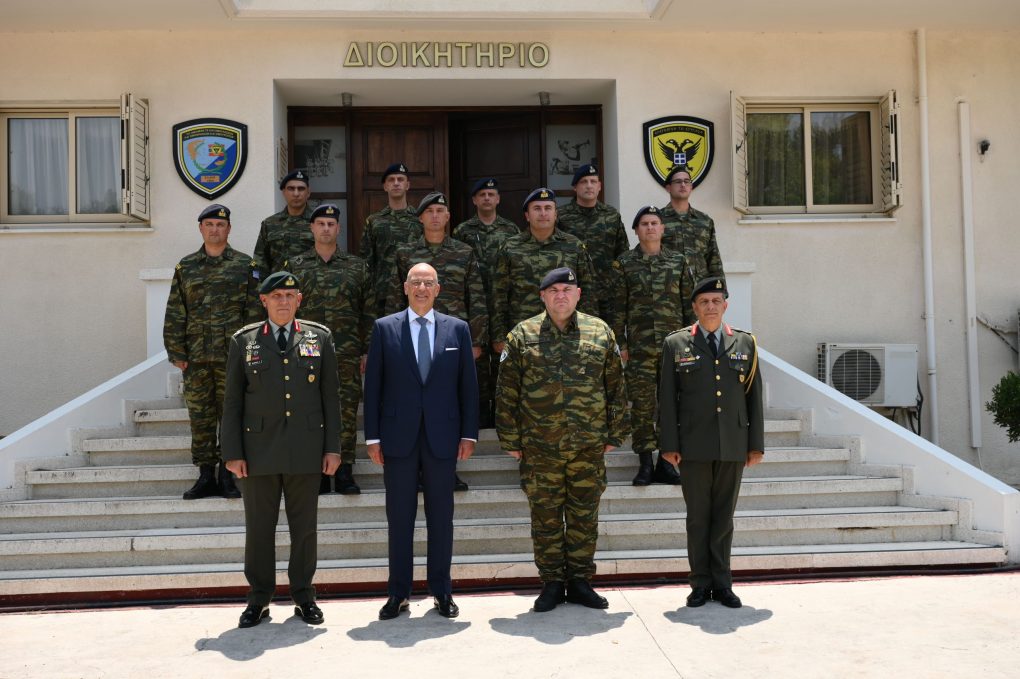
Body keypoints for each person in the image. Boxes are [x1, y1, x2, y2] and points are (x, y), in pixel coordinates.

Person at [495, 267, 628, 613]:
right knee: (546, 517)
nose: (561, 296)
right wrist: (510, 439)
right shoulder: (522, 335)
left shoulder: (600, 332)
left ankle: (581, 581)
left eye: (567, 290)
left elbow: (615, 387)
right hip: (540, 447)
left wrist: (615, 432)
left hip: (588, 445)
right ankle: (552, 582)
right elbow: (507, 392)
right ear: (542, 296)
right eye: (553, 290)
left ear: (578, 294)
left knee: (584, 516)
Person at [221, 271, 342, 628]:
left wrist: (333, 448)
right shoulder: (244, 341)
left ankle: (304, 596)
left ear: (299, 299)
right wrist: (232, 452)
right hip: (258, 450)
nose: (283, 301)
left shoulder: (319, 338)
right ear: (264, 301)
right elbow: (232, 402)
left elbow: (330, 397)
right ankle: (259, 598)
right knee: (259, 528)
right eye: (276, 296)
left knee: (304, 528)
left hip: (306, 448)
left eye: (290, 295)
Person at [363, 262, 479, 621]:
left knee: (441, 518)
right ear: (405, 287)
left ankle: (442, 591)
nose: (422, 288)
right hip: (398, 438)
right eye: (416, 282)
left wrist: (469, 433)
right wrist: (372, 437)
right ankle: (398, 593)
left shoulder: (457, 329)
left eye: (429, 282)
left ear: (438, 289)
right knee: (400, 519)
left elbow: (468, 386)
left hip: (443, 438)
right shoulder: (384, 328)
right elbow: (374, 387)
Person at [658, 277, 764, 609]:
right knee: (698, 518)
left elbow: (754, 397)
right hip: (693, 443)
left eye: (716, 301)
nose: (711, 307)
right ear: (694, 307)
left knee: (724, 518)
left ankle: (723, 584)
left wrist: (755, 444)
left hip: (733, 443)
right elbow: (667, 398)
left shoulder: (745, 343)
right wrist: (668, 444)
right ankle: (700, 585)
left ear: (725, 305)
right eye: (704, 302)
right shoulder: (676, 343)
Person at [384, 192, 485, 491]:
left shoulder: (464, 252)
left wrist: (477, 339)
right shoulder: (405, 253)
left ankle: (445, 469)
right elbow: (393, 296)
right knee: (414, 403)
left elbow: (476, 296)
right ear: (420, 218)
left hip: (452, 341)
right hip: (412, 339)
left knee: (446, 404)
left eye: (441, 210)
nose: (436, 216)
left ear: (448, 217)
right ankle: (415, 471)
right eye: (430, 212)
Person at [163, 204, 261, 500]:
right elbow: (176, 310)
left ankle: (228, 475)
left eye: (220, 225)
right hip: (196, 358)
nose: (215, 229)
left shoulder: (246, 265)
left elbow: (254, 313)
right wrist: (176, 351)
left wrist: (251, 355)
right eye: (209, 224)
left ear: (228, 229)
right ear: (201, 229)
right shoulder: (186, 267)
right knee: (201, 418)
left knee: (232, 417)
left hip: (233, 358)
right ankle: (206, 475)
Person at [284, 203, 374, 495]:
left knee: (345, 411)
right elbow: (283, 310)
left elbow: (368, 311)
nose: (326, 228)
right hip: (305, 351)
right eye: (320, 223)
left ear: (338, 229)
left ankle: (345, 470)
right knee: (310, 410)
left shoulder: (357, 266)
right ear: (311, 228)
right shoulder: (295, 266)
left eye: (331, 224)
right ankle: (318, 472)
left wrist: (367, 350)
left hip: (346, 351)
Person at [610, 206, 690, 486]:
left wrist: (692, 341)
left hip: (674, 348)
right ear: (636, 230)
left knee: (672, 405)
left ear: (662, 229)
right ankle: (645, 463)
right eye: (644, 224)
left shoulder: (678, 262)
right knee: (642, 407)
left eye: (655, 223)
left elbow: (689, 305)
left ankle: (666, 463)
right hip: (639, 350)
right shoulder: (624, 263)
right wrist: (620, 343)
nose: (650, 228)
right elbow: (617, 308)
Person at [490, 188, 598, 355]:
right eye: (537, 208)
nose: (543, 213)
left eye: (548, 208)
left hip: (567, 333)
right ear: (527, 215)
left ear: (556, 214)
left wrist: (588, 329)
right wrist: (499, 335)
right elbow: (498, 294)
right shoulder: (510, 247)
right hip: (522, 333)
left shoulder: (574, 246)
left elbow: (588, 290)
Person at [452, 178, 521, 427]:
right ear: (474, 200)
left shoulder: (511, 230)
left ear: (498, 199)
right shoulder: (462, 231)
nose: (487, 198)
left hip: (504, 303)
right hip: (474, 304)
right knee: (477, 362)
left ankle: (501, 414)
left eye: (491, 194)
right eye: (482, 195)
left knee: (504, 359)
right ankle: (480, 415)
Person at [554, 164, 629, 321]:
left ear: (599, 186)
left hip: (608, 293)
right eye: (584, 182)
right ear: (575, 187)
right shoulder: (562, 216)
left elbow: (623, 252)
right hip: (572, 292)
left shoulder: (611, 215)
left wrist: (615, 279)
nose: (589, 186)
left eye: (593, 181)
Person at [659, 165, 725, 322]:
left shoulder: (704, 221)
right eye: (678, 182)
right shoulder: (658, 221)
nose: (683, 185)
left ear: (691, 187)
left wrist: (720, 292)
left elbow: (713, 258)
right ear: (668, 188)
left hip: (700, 295)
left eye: (686, 181)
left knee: (700, 336)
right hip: (669, 296)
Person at [359, 162, 422, 317]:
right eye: (391, 180)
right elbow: (366, 261)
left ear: (407, 185)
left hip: (416, 291)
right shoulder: (374, 221)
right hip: (382, 293)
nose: (396, 183)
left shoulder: (420, 219)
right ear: (385, 186)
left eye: (400, 179)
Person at [254, 169, 317, 272]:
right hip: (278, 282)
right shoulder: (269, 224)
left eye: (301, 189)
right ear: (284, 192)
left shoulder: (319, 223)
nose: (296, 193)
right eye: (291, 189)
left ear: (308, 193)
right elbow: (259, 262)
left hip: (309, 282)